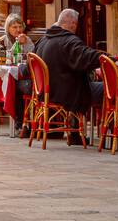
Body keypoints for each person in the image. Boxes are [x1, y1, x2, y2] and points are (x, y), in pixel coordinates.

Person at [33, 8, 103, 143]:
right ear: (73, 24)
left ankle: (75, 132)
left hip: (45, 93)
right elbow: (86, 55)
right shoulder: (69, 41)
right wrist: (108, 58)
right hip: (66, 93)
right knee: (108, 89)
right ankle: (108, 138)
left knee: (80, 82)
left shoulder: (43, 40)